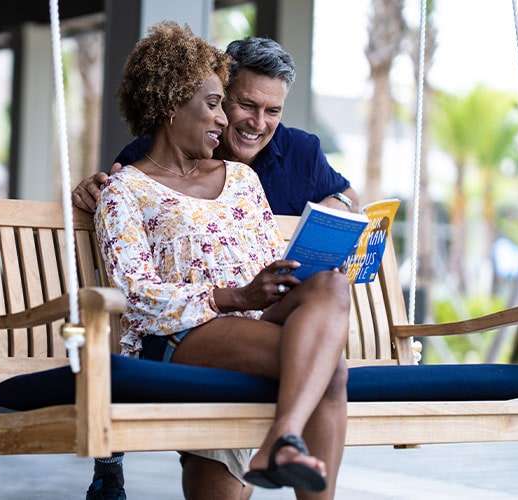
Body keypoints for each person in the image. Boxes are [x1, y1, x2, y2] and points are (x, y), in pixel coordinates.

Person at [82, 34, 359, 500]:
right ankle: (282, 441)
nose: (223, 118)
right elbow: (133, 295)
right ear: (172, 106)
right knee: (329, 368)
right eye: (216, 104)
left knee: (331, 286)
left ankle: (281, 439)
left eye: (220, 105)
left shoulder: (245, 178)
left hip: (252, 320)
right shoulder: (125, 187)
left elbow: (268, 259)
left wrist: (291, 273)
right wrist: (231, 297)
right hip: (184, 330)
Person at [73, 36, 359, 218]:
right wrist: (92, 191)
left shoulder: (303, 151)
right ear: (221, 95)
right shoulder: (149, 155)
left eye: (272, 111)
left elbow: (348, 195)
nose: (258, 123)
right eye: (247, 105)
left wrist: (338, 203)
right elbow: (113, 199)